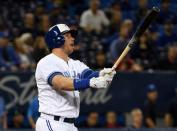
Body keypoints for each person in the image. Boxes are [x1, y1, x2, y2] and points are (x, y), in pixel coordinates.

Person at [35, 23, 116, 131]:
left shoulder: (75, 63)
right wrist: (91, 82)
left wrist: (101, 74)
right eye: (68, 36)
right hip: (52, 123)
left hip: (70, 125)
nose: (73, 38)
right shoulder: (47, 61)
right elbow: (61, 83)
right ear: (57, 39)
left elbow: (88, 75)